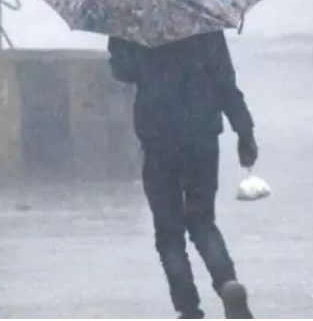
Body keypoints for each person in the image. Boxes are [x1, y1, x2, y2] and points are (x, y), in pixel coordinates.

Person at [107, 30, 258, 320]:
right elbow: (224, 81)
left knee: (169, 233)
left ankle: (189, 309)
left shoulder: (133, 22)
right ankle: (227, 283)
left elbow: (122, 71)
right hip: (202, 136)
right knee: (203, 222)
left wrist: (123, 42)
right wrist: (244, 131)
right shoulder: (202, 22)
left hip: (158, 138)